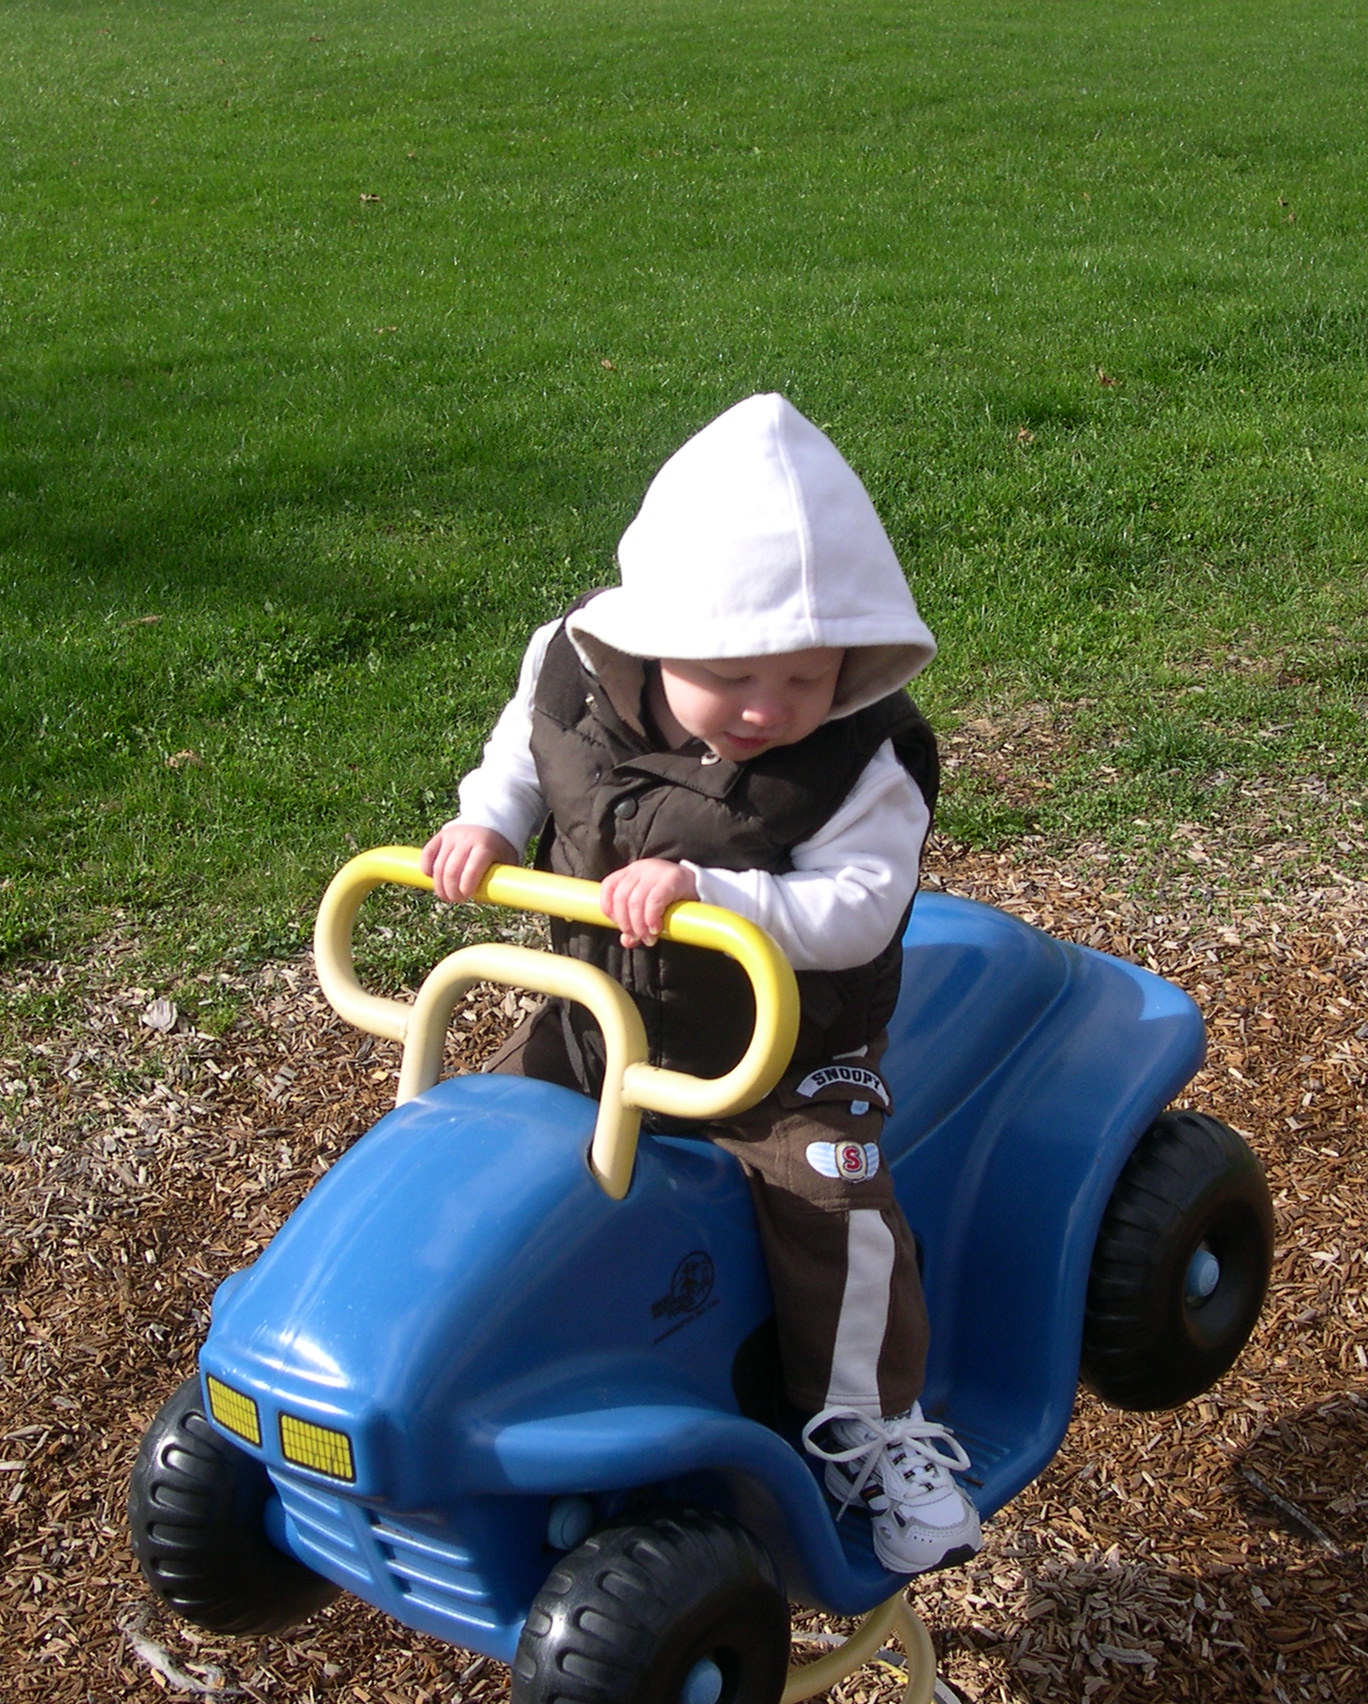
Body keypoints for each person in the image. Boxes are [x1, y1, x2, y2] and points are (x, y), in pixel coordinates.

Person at [419, 393, 979, 1573]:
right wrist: (481, 825)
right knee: (478, 1143)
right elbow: (519, 761)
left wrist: (717, 899)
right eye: (733, 678)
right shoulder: (570, 674)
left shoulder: (859, 757)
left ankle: (874, 1425)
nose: (772, 710)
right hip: (602, 1017)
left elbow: (862, 906)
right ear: (657, 638)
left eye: (808, 677)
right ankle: (437, 1354)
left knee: (835, 1194)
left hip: (783, 1049)